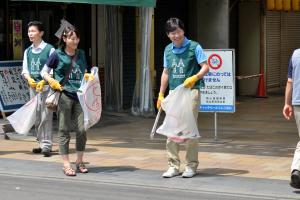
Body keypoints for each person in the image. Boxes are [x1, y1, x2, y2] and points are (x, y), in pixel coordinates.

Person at [157, 17, 209, 178]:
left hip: (191, 92)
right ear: (168, 35)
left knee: (189, 128)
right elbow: (166, 72)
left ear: (183, 31)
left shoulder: (195, 47)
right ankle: (173, 165)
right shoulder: (167, 50)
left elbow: (206, 67)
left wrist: (195, 77)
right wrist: (160, 94)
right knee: (171, 129)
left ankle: (191, 166)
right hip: (174, 92)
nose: (176, 35)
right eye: (172, 33)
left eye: (178, 31)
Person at [41, 26, 94, 176]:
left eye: (76, 38)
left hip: (80, 96)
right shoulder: (56, 54)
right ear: (64, 39)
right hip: (64, 95)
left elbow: (86, 71)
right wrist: (51, 81)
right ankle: (66, 163)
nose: (75, 41)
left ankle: (79, 161)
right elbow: (43, 72)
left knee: (82, 129)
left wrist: (88, 77)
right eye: (71, 38)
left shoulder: (82, 54)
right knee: (64, 129)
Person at [22, 21, 55, 157]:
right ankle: (41, 143)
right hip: (33, 88)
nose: (30, 34)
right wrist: (29, 79)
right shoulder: (28, 51)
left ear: (41, 33)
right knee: (36, 115)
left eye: (33, 31)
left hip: (47, 87)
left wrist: (43, 80)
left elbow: (53, 70)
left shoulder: (50, 49)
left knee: (46, 115)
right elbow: (25, 69)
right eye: (29, 31)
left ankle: (47, 145)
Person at [283, 48, 300, 189]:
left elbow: (290, 81)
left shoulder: (295, 54)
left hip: (297, 103)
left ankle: (296, 170)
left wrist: (287, 103)